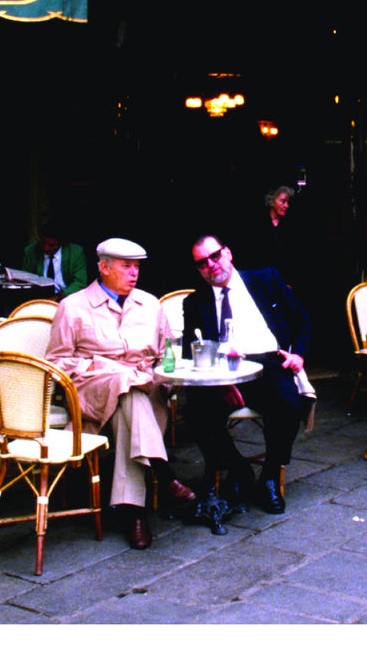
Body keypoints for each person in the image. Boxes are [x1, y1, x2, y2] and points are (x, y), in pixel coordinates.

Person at [45, 238, 194, 549]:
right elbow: (56, 362)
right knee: (125, 384)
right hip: (94, 393)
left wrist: (165, 381)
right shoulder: (73, 306)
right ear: (104, 267)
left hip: (145, 392)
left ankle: (134, 511)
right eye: (126, 266)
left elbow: (166, 355)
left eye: (137, 266)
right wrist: (104, 367)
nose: (134, 273)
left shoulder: (150, 305)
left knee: (132, 394)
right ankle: (162, 475)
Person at [182, 235, 310, 515]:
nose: (211, 265)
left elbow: (301, 321)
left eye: (215, 256)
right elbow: (189, 352)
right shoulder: (195, 302)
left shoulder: (266, 280)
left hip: (267, 363)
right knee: (194, 411)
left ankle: (270, 475)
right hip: (222, 371)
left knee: (288, 404)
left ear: (228, 253)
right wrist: (219, 384)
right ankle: (237, 467)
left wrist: (298, 354)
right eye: (202, 263)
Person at [21, 222, 88, 299]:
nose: (46, 248)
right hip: (39, 297)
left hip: (67, 297)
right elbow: (26, 280)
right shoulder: (30, 251)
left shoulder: (75, 253)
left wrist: (60, 296)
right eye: (44, 243)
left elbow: (80, 282)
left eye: (51, 245)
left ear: (61, 244)